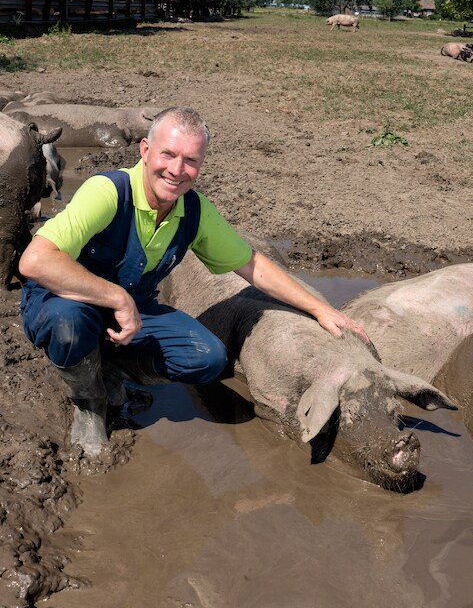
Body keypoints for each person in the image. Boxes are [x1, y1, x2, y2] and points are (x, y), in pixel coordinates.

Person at [18, 107, 368, 457]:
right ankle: (89, 403)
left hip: (133, 311)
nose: (176, 170)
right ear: (144, 150)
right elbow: (35, 261)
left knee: (208, 357)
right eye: (168, 154)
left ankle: (107, 369)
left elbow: (252, 264)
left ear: (200, 165)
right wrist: (117, 298)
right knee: (69, 323)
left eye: (190, 160)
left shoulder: (194, 211)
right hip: (65, 301)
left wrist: (319, 308)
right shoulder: (108, 192)